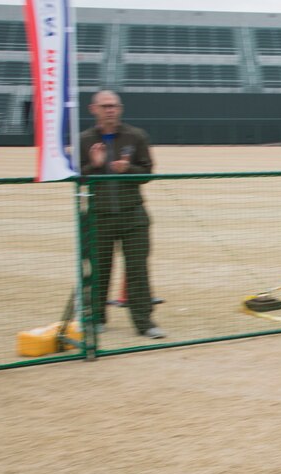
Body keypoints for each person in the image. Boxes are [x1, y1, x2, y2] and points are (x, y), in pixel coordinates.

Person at [79, 90, 164, 338]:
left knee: (137, 269)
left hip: (133, 215)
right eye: (105, 106)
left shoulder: (135, 136)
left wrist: (129, 168)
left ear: (121, 108)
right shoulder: (85, 140)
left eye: (114, 106)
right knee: (99, 269)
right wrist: (93, 165)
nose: (110, 110)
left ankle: (144, 322)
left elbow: (147, 173)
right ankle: (96, 318)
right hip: (99, 216)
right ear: (93, 109)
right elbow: (78, 177)